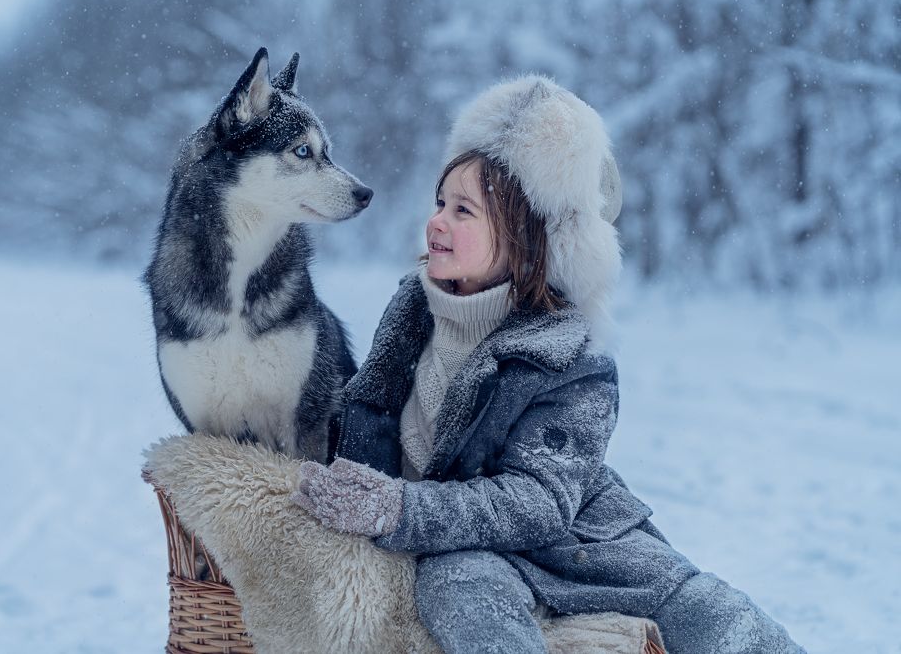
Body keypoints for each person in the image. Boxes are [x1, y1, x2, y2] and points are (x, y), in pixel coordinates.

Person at [290, 76, 804, 654]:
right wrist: (342, 485)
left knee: (707, 610)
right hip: (467, 550)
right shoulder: (412, 311)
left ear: (524, 237)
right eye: (440, 203)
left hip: (579, 545)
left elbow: (536, 504)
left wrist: (400, 508)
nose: (437, 221)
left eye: (463, 211)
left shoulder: (569, 356)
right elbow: (369, 412)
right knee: (460, 590)